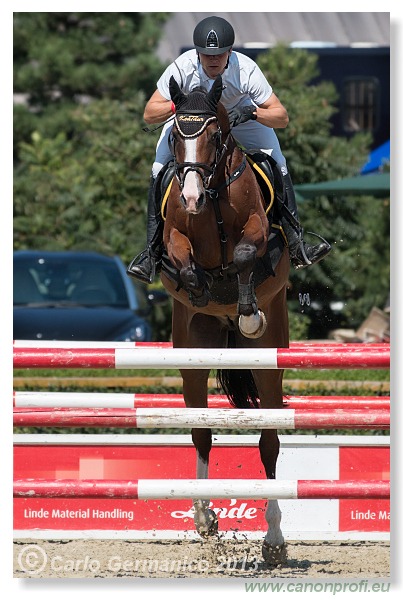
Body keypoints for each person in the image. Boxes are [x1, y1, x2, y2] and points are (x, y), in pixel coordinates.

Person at [127, 15, 331, 284]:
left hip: (240, 118)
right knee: (157, 168)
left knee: (277, 161)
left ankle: (296, 243)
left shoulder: (245, 69)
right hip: (195, 122)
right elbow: (150, 113)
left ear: (230, 53)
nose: (213, 60)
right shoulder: (182, 67)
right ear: (197, 53)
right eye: (207, 55)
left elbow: (281, 117)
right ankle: (151, 254)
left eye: (220, 55)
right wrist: (182, 107)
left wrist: (252, 112)